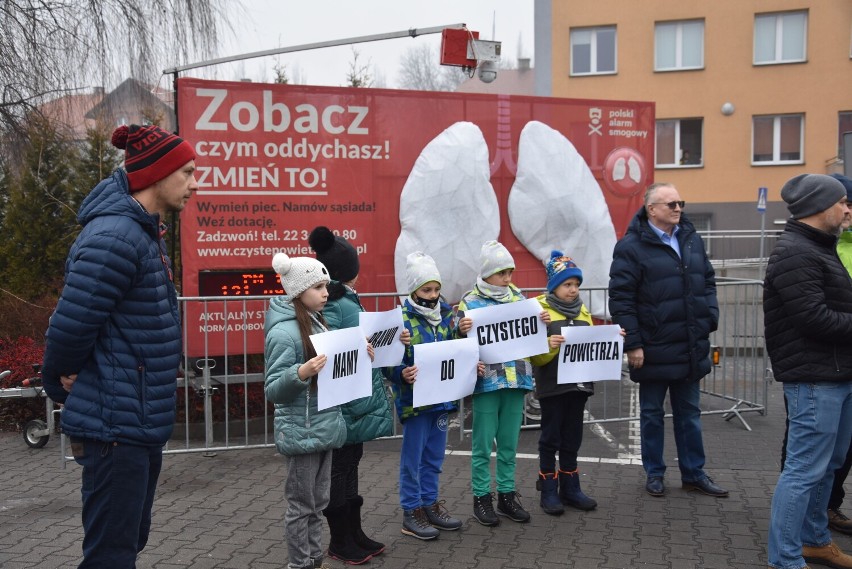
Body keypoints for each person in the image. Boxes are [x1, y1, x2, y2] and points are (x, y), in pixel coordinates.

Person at [40, 124, 197, 568]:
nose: (194, 182)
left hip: (133, 420)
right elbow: (72, 325)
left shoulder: (139, 234)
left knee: (124, 543)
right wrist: (59, 377)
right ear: (156, 174)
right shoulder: (116, 237)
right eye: (186, 172)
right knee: (111, 554)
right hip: (114, 425)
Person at [608, 182, 728, 499]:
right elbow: (621, 299)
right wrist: (633, 343)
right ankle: (655, 473)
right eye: (671, 204)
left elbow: (708, 282)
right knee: (651, 414)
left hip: (689, 344)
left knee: (690, 414)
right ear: (651, 209)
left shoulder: (690, 239)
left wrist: (709, 317)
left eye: (680, 203)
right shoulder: (631, 247)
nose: (678, 208)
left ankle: (694, 474)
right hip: (652, 348)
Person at [765, 173, 852, 569]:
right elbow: (813, 318)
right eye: (843, 202)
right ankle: (785, 558)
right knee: (803, 471)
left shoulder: (820, 246)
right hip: (815, 379)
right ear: (821, 207)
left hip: (837, 373)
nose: (848, 209)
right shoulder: (796, 252)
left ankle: (815, 541)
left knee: (829, 466)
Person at [308, 226, 396, 563]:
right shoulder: (335, 301)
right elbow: (329, 344)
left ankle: (354, 533)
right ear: (348, 271)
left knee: (351, 464)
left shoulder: (344, 297)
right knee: (341, 468)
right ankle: (340, 539)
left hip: (356, 394)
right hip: (344, 398)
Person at [264, 253, 348, 569]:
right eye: (318, 286)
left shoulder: (320, 324)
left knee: (317, 503)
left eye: (326, 285)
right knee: (302, 505)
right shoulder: (284, 332)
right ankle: (300, 563)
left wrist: (359, 355)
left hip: (322, 426)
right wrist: (301, 372)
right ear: (299, 291)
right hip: (303, 430)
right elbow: (274, 389)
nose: (326, 292)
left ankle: (314, 558)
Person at [386, 251, 472, 540]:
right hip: (414, 403)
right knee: (413, 458)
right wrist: (400, 372)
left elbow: (455, 352)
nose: (433, 295)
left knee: (434, 456)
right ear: (413, 290)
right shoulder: (400, 320)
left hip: (442, 400)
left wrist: (462, 336)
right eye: (426, 289)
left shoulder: (448, 316)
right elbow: (385, 361)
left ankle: (429, 503)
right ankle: (411, 512)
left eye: (436, 289)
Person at [459, 240, 545, 526]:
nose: (508, 278)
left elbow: (530, 331)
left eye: (510, 272)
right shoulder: (470, 302)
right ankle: (481, 498)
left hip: (516, 378)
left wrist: (541, 320)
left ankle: (507, 495)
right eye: (501, 273)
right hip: (487, 383)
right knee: (483, 444)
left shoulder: (519, 297)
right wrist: (460, 330)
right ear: (486, 273)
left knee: (509, 443)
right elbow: (458, 344)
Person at [530, 251, 599, 515]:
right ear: (554, 287)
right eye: (567, 285)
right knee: (550, 438)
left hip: (578, 386)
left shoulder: (583, 311)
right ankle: (548, 489)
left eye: (576, 285)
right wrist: (549, 346)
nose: (573, 290)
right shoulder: (541, 312)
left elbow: (591, 345)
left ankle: (571, 488)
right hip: (552, 386)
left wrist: (612, 338)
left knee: (572, 437)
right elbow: (535, 356)